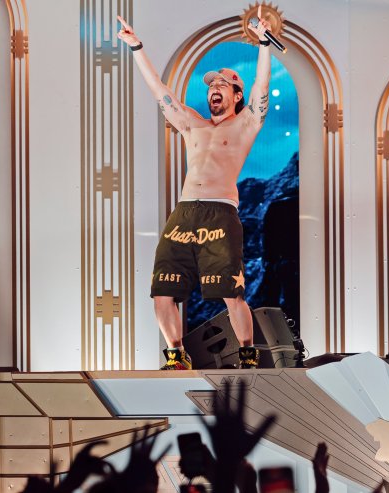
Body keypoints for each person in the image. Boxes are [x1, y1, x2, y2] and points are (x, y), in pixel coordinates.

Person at [117, 8, 272, 370]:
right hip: (185, 211)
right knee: (162, 291)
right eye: (212, 86)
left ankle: (248, 355)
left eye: (223, 86)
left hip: (220, 211)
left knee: (231, 293)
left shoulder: (246, 124)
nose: (214, 89)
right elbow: (160, 93)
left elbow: (262, 89)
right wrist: (137, 48)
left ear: (237, 95)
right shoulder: (193, 124)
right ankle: (176, 356)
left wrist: (264, 45)